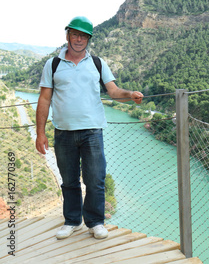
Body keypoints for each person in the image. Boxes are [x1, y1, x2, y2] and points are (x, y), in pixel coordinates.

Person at [35, 16, 144, 240]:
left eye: (83, 36)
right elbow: (44, 99)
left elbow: (113, 91)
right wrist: (40, 133)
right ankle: (72, 221)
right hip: (63, 132)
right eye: (75, 34)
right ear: (67, 36)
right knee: (69, 180)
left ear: (88, 39)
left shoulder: (97, 63)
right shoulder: (53, 64)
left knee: (95, 179)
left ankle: (95, 222)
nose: (78, 39)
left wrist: (130, 95)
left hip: (92, 131)